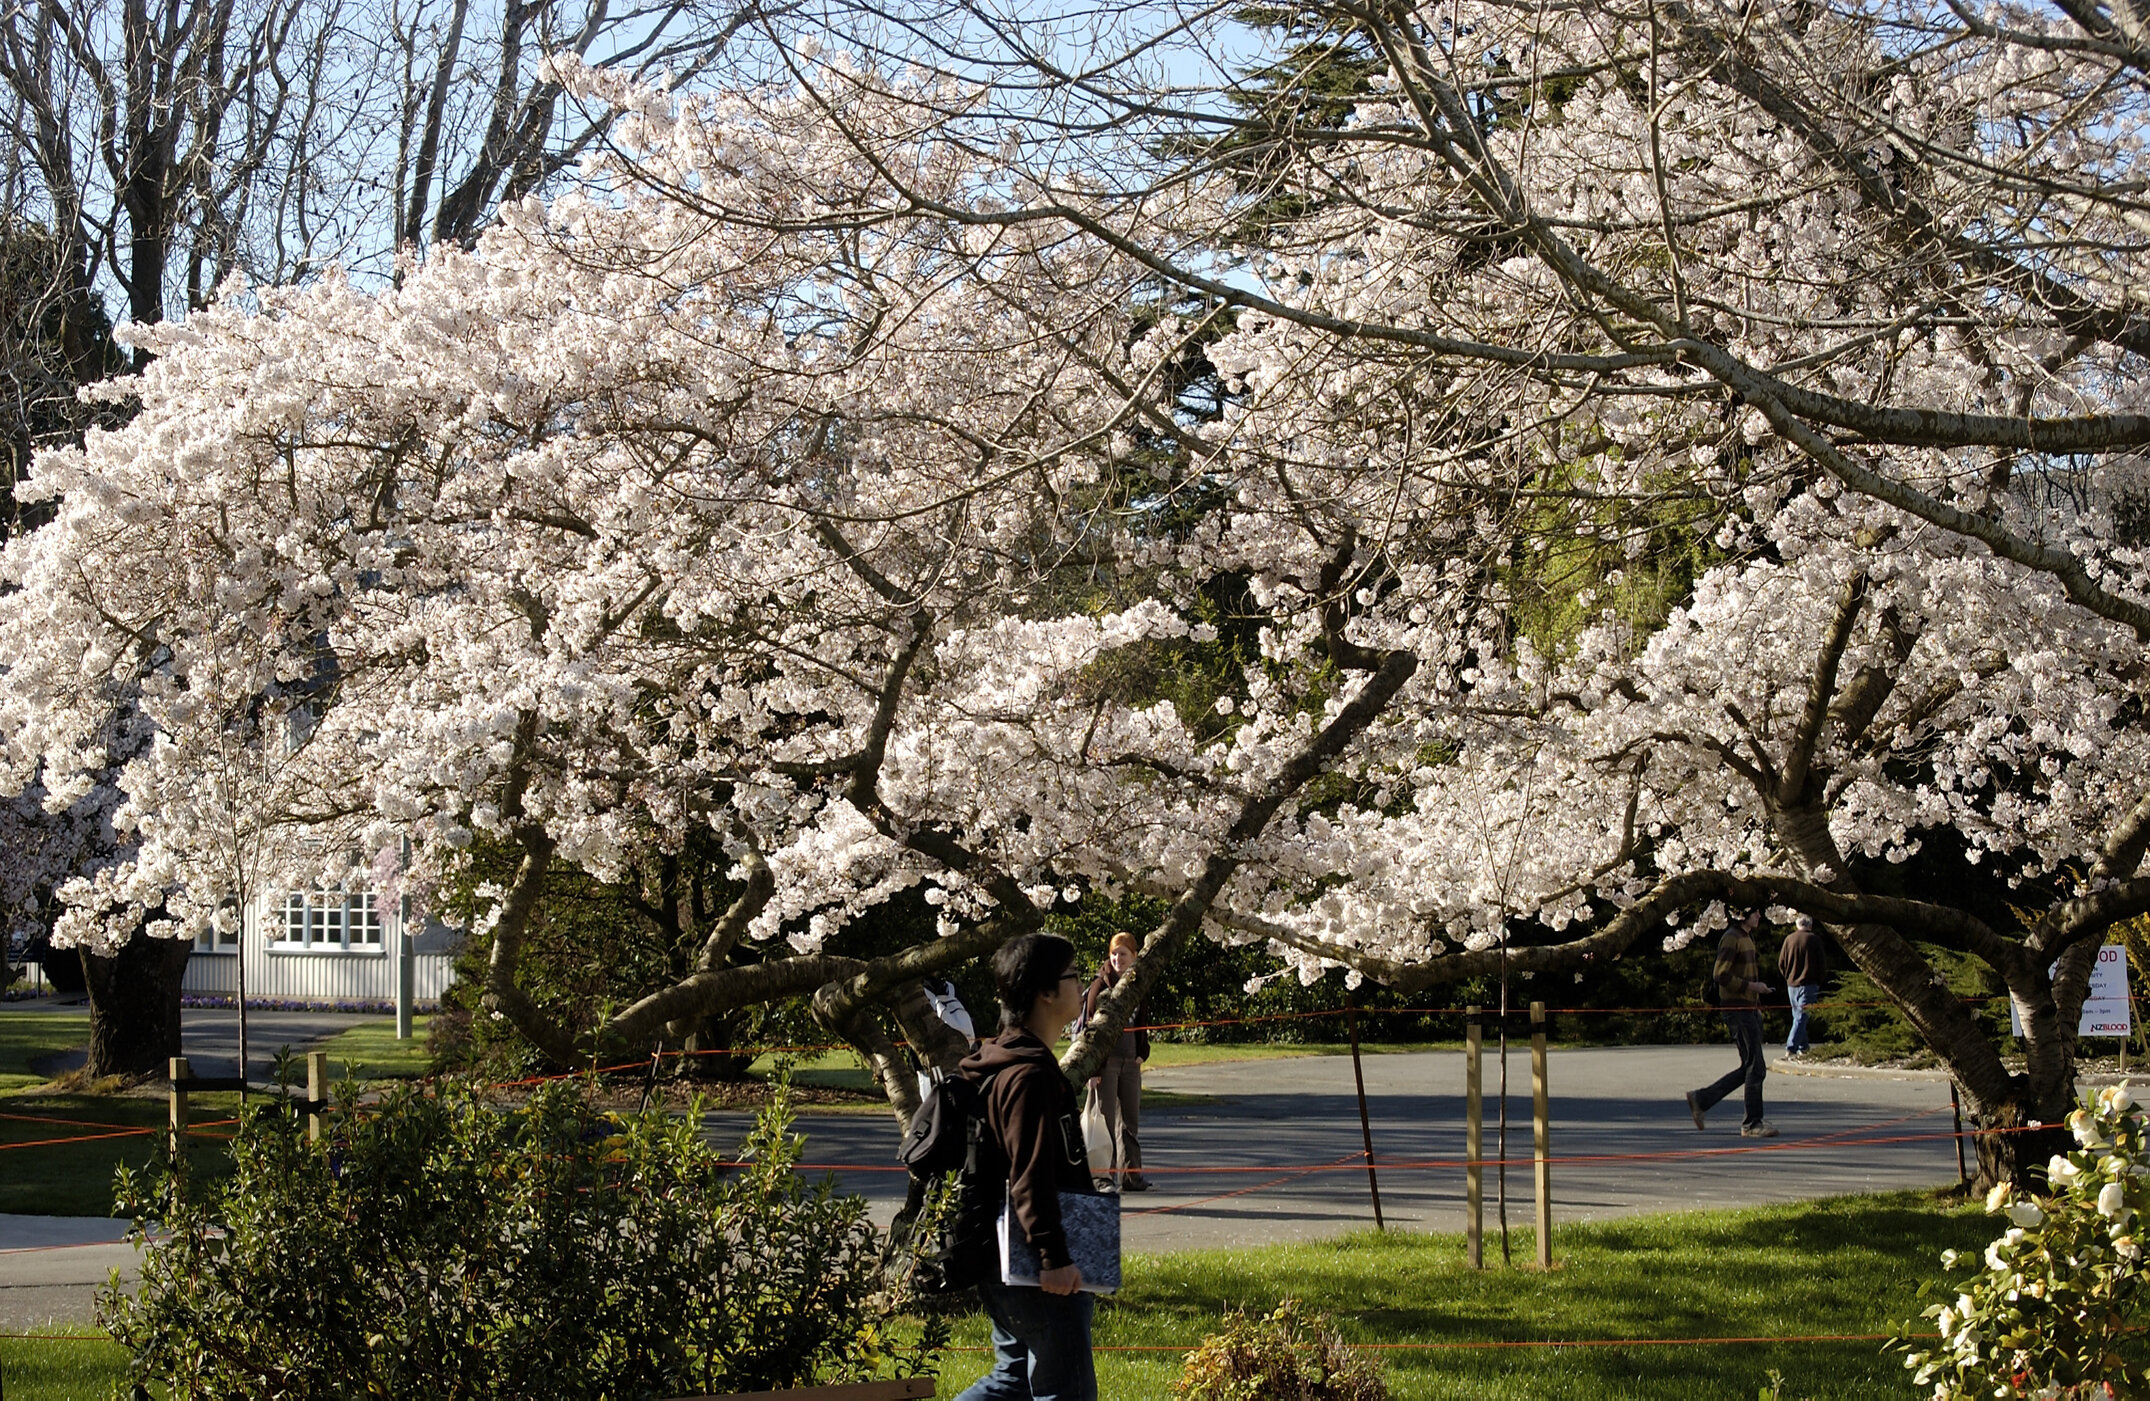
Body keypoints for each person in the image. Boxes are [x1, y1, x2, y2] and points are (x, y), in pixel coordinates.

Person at [955, 933, 1099, 1401]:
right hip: (1034, 1261)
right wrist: (1053, 1259)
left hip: (1002, 1254)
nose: (1084, 985)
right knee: (1067, 1389)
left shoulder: (1001, 1060)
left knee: (1013, 1379)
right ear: (1046, 992)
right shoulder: (1029, 1075)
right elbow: (1030, 1174)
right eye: (1075, 976)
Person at [1686, 908, 1776, 1138]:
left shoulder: (1747, 938)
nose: (1759, 916)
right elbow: (1720, 974)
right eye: (1754, 913)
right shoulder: (1731, 938)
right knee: (1755, 1066)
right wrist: (1751, 987)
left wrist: (1757, 996)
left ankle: (1701, 1099)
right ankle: (1752, 1124)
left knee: (1749, 1066)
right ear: (1741, 915)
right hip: (1737, 1009)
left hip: (1748, 1007)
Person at [1083, 931, 1151, 1193]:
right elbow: (1091, 1027)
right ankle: (1102, 1178)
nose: (1117, 959)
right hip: (1107, 1062)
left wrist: (1141, 1053)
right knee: (1105, 1121)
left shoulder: (1137, 984)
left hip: (1130, 1060)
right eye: (1113, 954)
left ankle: (1132, 1176)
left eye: (1122, 954)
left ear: (1134, 956)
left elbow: (1143, 1021)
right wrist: (1094, 1067)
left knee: (1130, 1122)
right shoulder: (1101, 986)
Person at [1778, 914, 1826, 1058]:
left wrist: (1788, 977)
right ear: (1810, 925)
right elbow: (1821, 964)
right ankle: (1791, 1047)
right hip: (1809, 983)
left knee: (1798, 1016)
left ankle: (1803, 1046)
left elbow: (1781, 963)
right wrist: (1819, 980)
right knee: (1801, 1017)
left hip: (1791, 984)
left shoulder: (1789, 939)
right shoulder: (1814, 940)